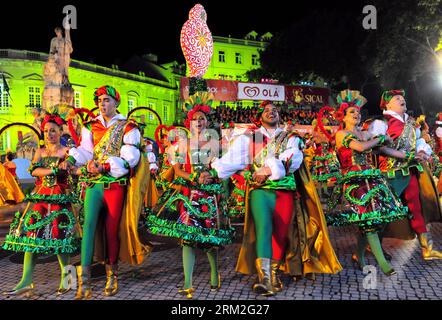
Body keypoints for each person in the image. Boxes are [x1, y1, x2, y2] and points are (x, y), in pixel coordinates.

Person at [209, 100, 342, 296]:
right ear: (260, 116)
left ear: (279, 116)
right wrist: (213, 167)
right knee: (264, 228)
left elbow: (294, 157)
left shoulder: (291, 138)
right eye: (267, 110)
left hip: (285, 190)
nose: (271, 112)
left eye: (275, 110)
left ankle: (273, 274)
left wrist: (269, 169)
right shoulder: (249, 139)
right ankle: (264, 278)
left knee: (280, 232)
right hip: (259, 190)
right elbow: (230, 162)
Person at [59, 85, 149, 299]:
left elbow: (130, 159)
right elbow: (85, 150)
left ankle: (112, 275)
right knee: (88, 229)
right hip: (93, 185)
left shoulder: (128, 127)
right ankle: (85, 281)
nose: (102, 103)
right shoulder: (92, 126)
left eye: (107, 99)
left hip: (114, 186)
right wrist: (72, 159)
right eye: (99, 100)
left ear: (116, 102)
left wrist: (106, 167)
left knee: (111, 230)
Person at [146, 99, 235, 299]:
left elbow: (222, 167)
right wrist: (194, 176)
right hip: (188, 195)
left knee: (209, 238)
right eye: (194, 119)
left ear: (207, 122)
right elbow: (177, 170)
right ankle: (188, 282)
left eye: (201, 118)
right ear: (189, 123)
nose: (198, 122)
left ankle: (214, 273)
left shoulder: (216, 144)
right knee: (187, 239)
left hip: (209, 195)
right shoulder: (182, 144)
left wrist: (209, 174)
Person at [324, 91, 409, 275]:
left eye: (358, 112)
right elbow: (360, 147)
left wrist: (410, 157)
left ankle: (359, 255)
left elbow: (384, 150)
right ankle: (383, 264)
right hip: (354, 181)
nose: (356, 114)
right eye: (352, 112)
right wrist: (380, 137)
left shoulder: (365, 133)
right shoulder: (341, 134)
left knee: (375, 220)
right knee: (368, 220)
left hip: (373, 178)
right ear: (343, 117)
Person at [2, 113, 80, 296]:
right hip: (41, 199)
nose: (49, 134)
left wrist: (67, 166)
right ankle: (26, 281)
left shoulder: (67, 152)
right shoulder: (40, 151)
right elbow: (35, 171)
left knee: (61, 238)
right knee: (33, 236)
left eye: (53, 130)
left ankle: (69, 279)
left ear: (61, 131)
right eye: (46, 131)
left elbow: (72, 167)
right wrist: (53, 169)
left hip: (60, 198)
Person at [369, 90, 442, 260]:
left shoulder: (411, 123)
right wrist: (405, 155)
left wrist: (422, 151)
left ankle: (427, 248)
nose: (402, 100)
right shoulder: (381, 123)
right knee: (385, 210)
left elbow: (419, 142)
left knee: (416, 208)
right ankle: (370, 245)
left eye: (403, 98)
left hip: (410, 171)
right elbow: (377, 148)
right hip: (389, 174)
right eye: (397, 98)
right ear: (387, 105)